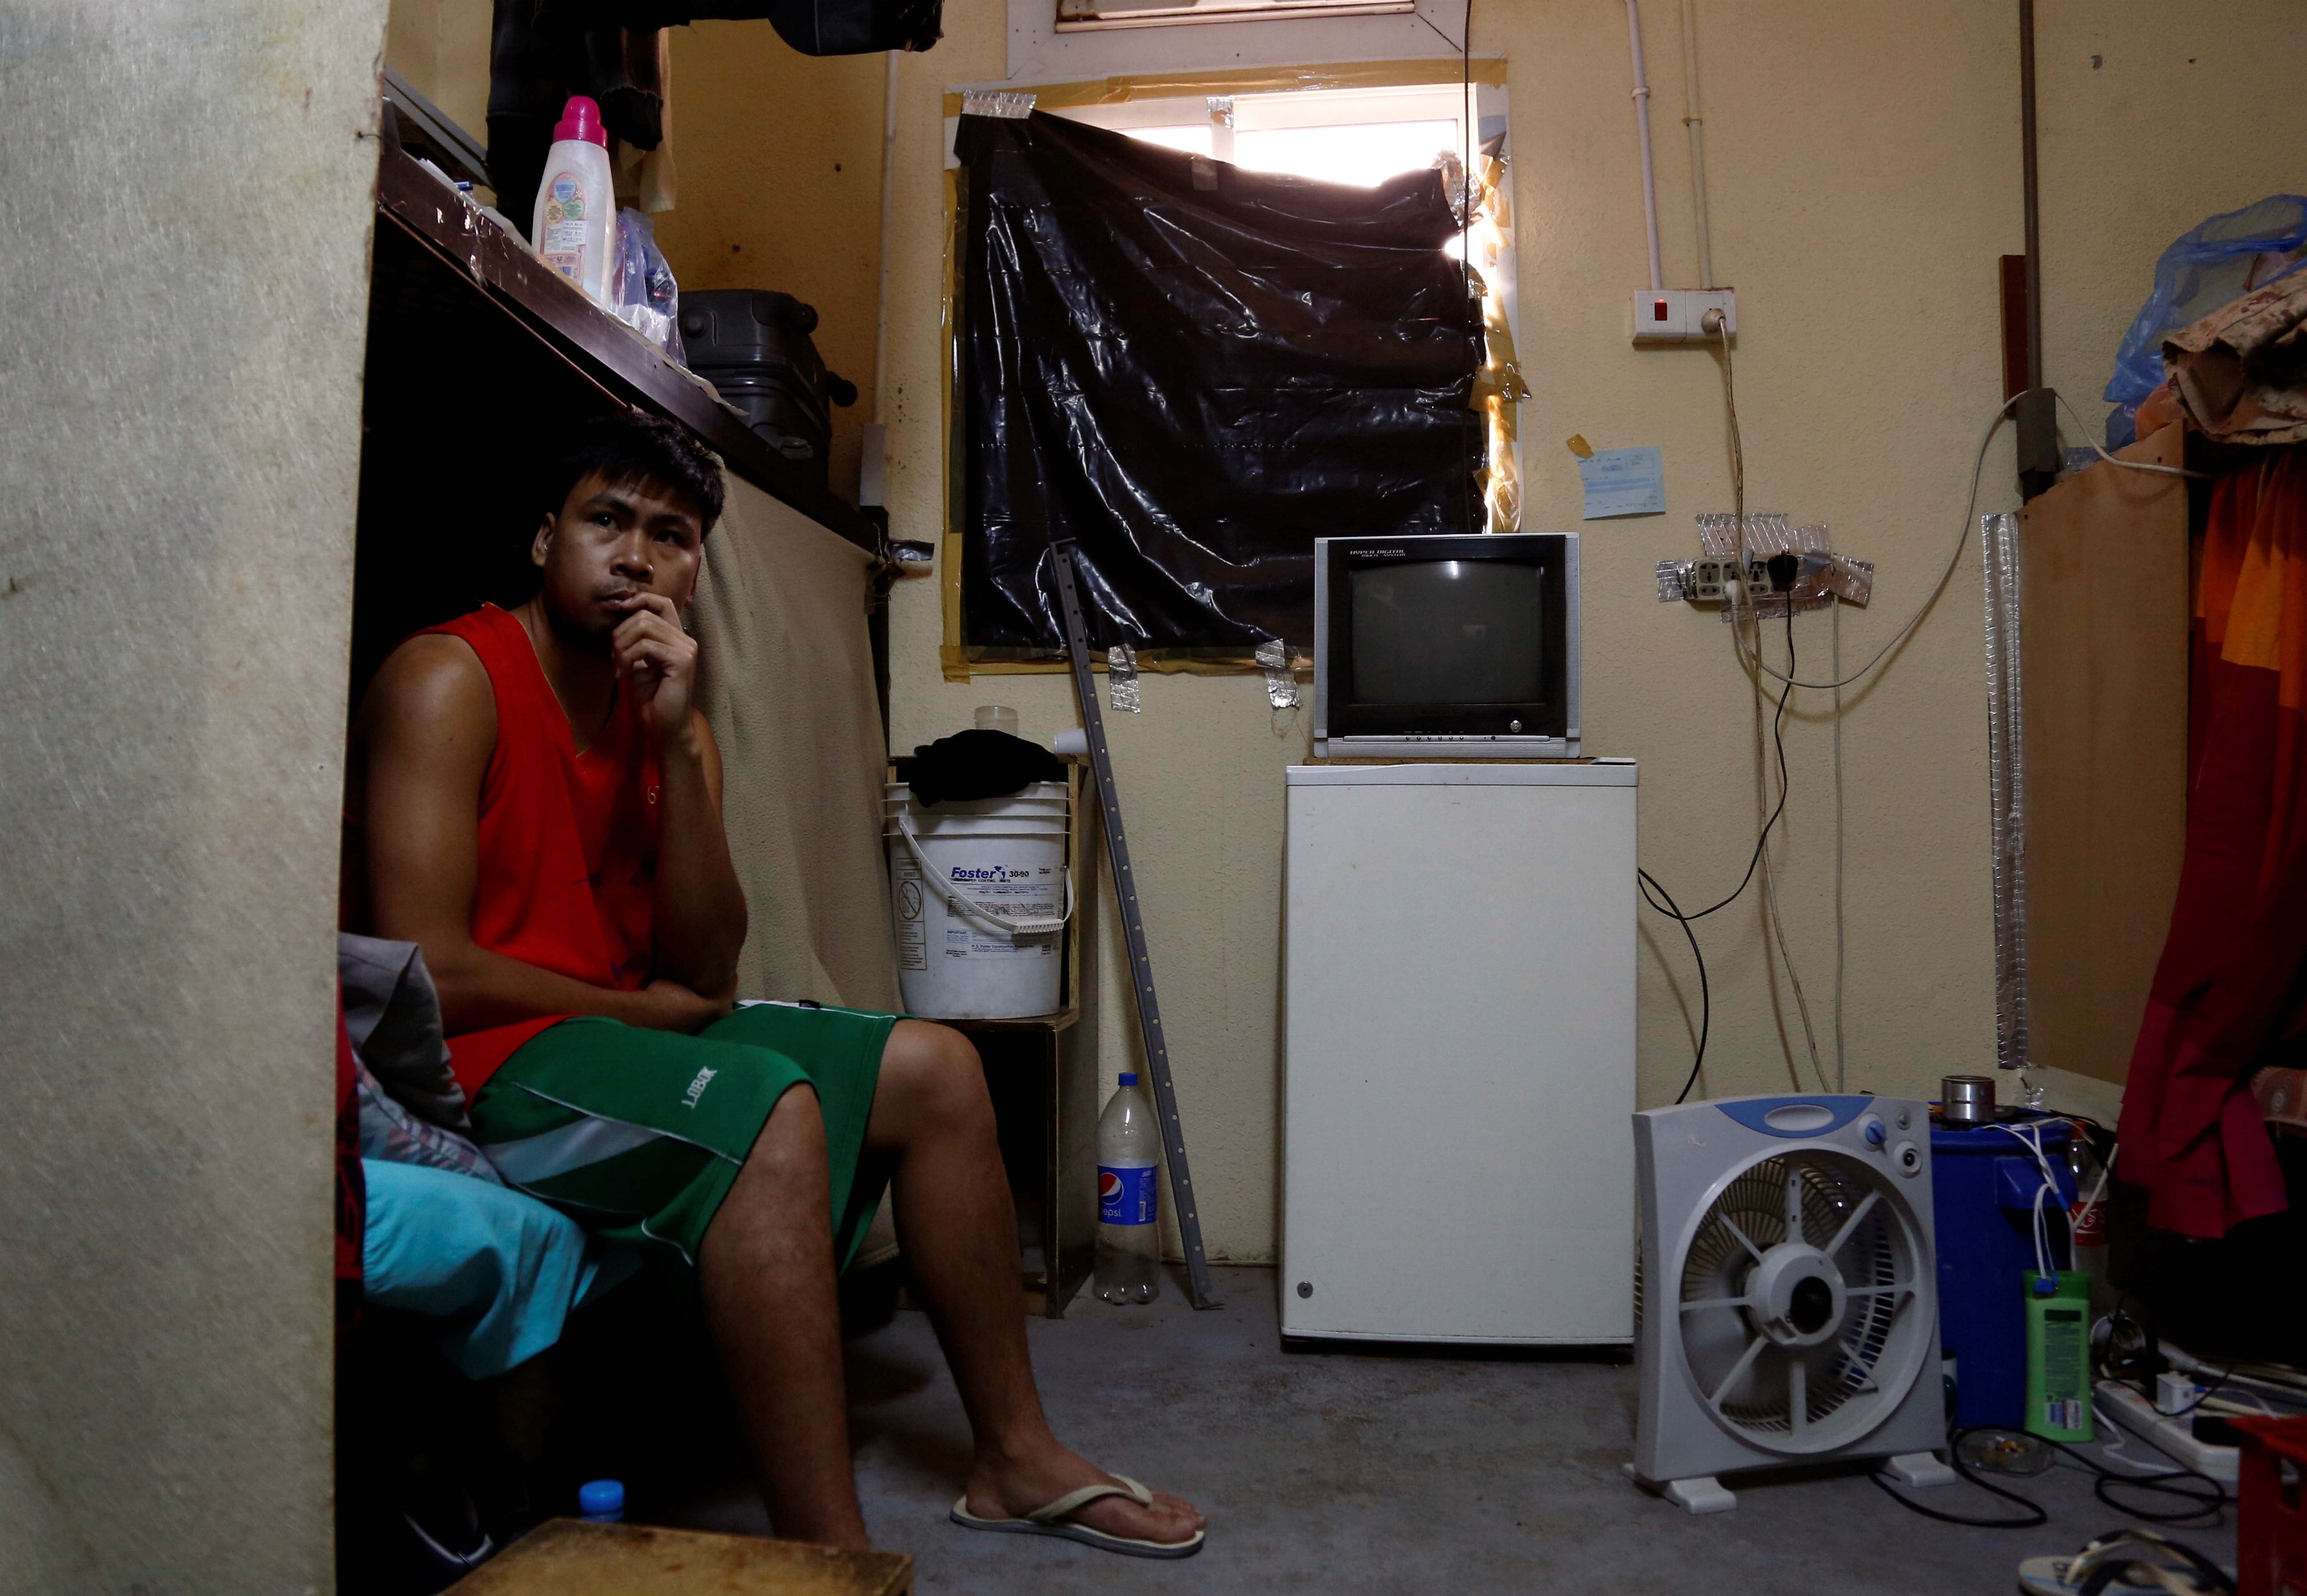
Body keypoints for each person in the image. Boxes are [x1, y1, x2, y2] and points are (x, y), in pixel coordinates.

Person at [352, 411, 1204, 1558]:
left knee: (938, 1069)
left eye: (672, 535)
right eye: (606, 522)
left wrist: (676, 751)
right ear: (544, 539)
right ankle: (830, 1563)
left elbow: (703, 967)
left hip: (607, 1040)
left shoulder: (665, 716)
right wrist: (645, 1014)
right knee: (768, 1111)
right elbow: (423, 975)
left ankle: (1013, 1455)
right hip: (486, 1063)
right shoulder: (450, 677)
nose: (638, 557)